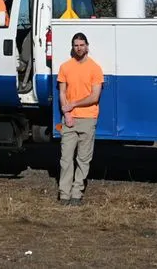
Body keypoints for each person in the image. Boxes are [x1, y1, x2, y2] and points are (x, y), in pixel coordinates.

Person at [57, 32, 103, 206]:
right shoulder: (65, 67)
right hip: (69, 119)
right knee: (66, 158)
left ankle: (77, 193)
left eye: (82, 45)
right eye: (76, 45)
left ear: (87, 46)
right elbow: (62, 92)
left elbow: (94, 97)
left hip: (88, 118)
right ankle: (64, 194)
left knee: (83, 159)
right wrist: (67, 113)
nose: (79, 48)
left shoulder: (95, 68)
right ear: (72, 47)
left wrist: (73, 104)